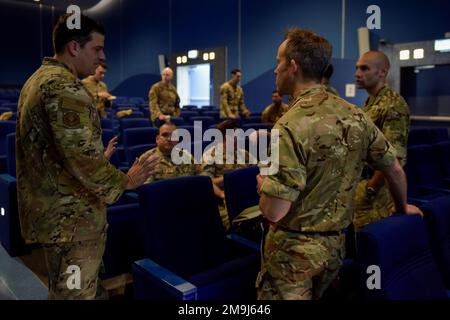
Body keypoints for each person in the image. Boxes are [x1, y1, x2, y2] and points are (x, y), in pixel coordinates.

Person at [255, 28, 422, 300]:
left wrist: (263, 186)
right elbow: (395, 168)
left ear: (293, 67)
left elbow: (274, 211)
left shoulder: (287, 126)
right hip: (335, 248)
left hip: (293, 258)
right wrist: (403, 208)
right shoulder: (355, 115)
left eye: (278, 62)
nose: (275, 70)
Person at [16, 13, 159, 300]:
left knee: (67, 291)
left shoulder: (39, 80)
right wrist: (125, 181)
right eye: (97, 48)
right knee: (74, 296)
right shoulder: (64, 87)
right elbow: (81, 160)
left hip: (60, 216)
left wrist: (96, 156)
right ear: (73, 47)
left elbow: (60, 151)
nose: (102, 57)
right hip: (72, 223)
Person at [353, 51, 411, 231]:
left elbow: (394, 159)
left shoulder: (393, 105)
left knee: (370, 248)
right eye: (357, 68)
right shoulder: (371, 102)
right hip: (362, 189)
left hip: (376, 197)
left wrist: (370, 189)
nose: (357, 73)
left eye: (364, 68)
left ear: (382, 72)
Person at [201, 119, 257, 230]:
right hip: (225, 201)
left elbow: (257, 172)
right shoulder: (211, 154)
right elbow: (206, 181)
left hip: (247, 196)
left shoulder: (244, 154)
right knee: (238, 225)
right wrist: (223, 189)